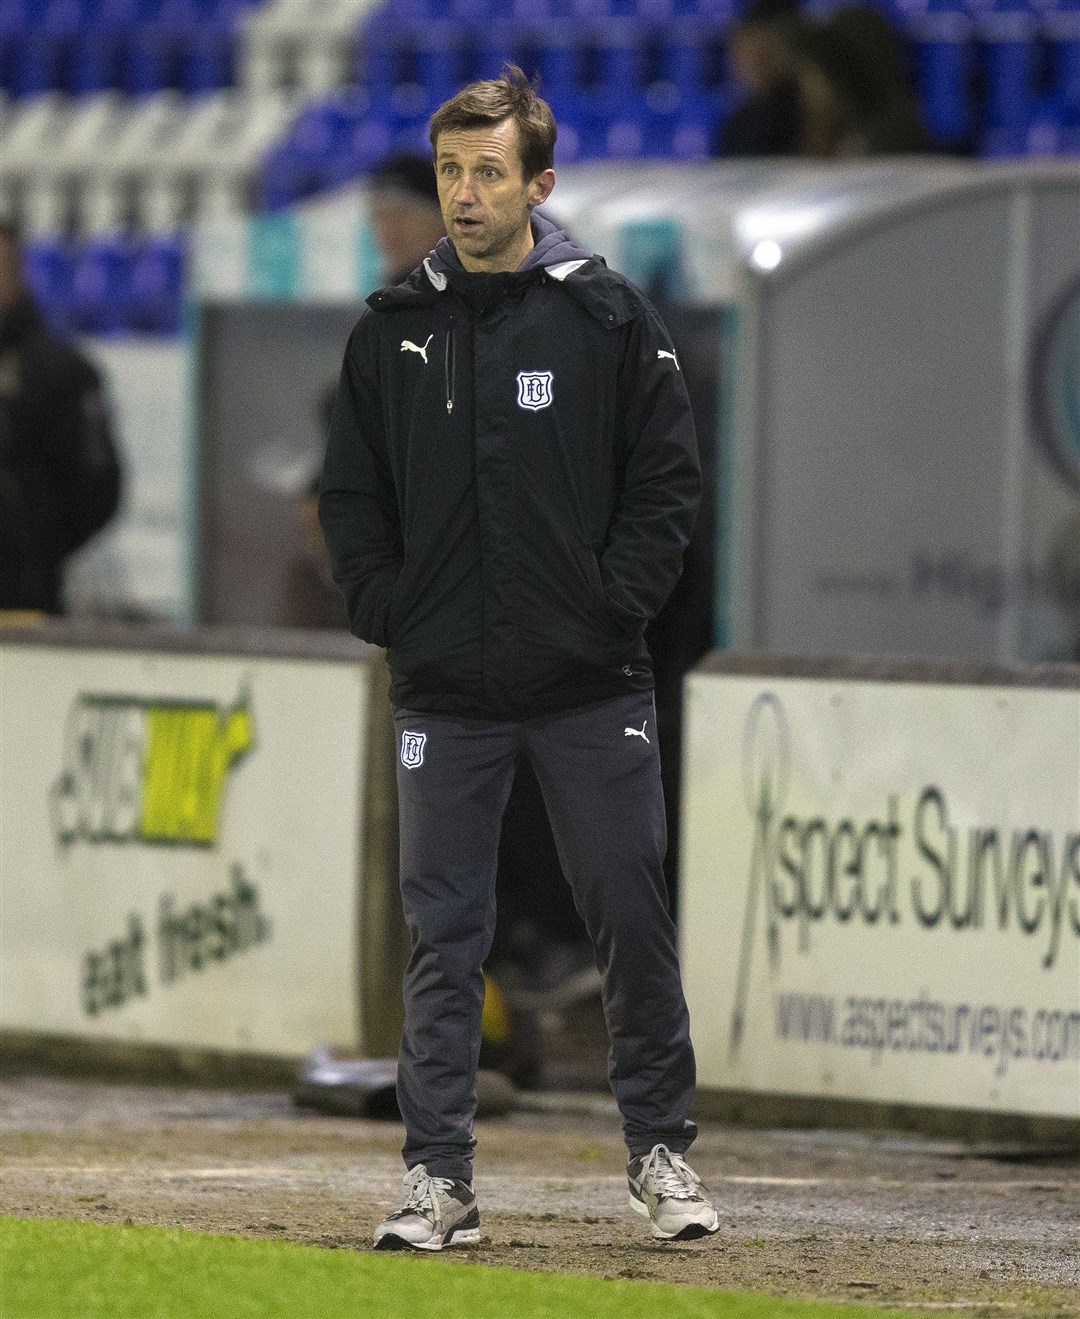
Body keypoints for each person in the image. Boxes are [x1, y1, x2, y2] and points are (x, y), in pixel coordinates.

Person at [319, 66, 719, 1251]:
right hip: (446, 686)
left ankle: (662, 1153)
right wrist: (395, 608)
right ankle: (437, 1177)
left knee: (631, 922)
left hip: (592, 683)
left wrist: (609, 608)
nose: (464, 192)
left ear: (539, 183)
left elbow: (668, 484)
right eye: (450, 170)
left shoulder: (607, 318)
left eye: (488, 170)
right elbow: (351, 501)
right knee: (441, 939)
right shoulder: (390, 331)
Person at [0, 221, 123, 614]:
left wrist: (33, 548)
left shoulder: (61, 372)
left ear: (18, 272)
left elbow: (99, 486)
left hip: (25, 599)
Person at [719, 0, 803, 157]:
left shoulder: (812, 112)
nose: (755, 57)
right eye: (747, 44)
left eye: (767, 47)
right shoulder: (739, 124)